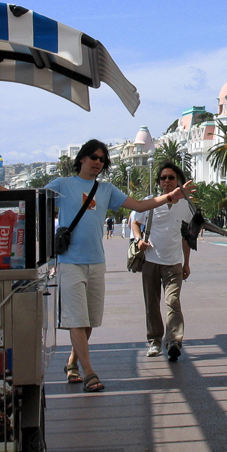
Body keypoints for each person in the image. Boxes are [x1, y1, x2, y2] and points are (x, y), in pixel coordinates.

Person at [46, 140, 193, 393]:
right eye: (93, 157)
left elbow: (139, 206)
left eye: (102, 159)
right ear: (81, 158)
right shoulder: (63, 184)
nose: (98, 162)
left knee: (90, 319)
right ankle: (89, 372)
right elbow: (33, 200)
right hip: (70, 262)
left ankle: (71, 363)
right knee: (77, 319)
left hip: (96, 262)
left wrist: (170, 197)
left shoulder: (106, 190)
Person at [137, 162, 194, 361]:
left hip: (173, 262)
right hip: (151, 260)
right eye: (163, 178)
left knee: (173, 302)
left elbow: (187, 237)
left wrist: (186, 263)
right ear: (159, 182)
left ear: (177, 180)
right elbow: (136, 222)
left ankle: (173, 342)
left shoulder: (186, 205)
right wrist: (138, 239)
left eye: (171, 177)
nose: (167, 181)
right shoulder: (149, 201)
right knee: (152, 304)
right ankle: (154, 341)